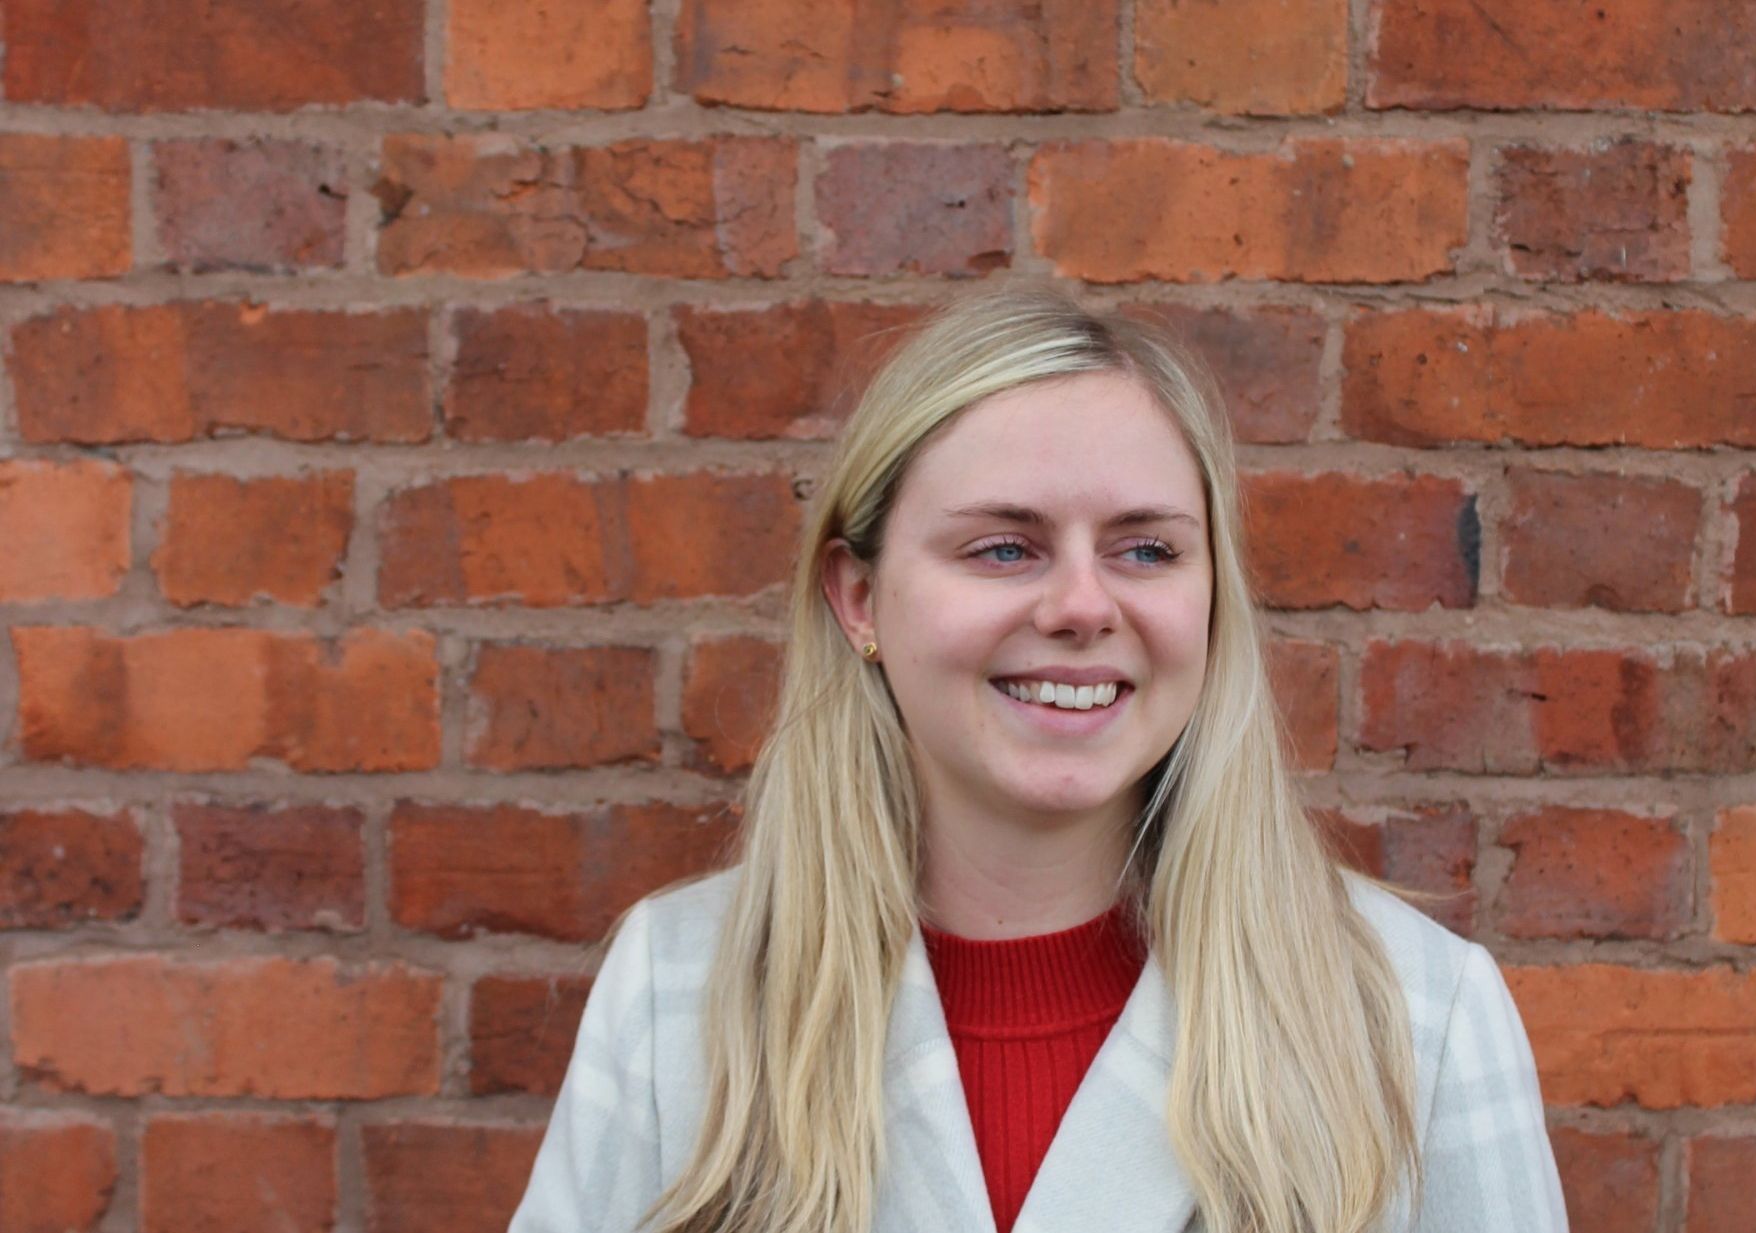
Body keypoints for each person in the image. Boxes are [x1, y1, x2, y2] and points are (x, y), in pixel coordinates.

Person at [508, 286, 1567, 1233]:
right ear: (861, 597)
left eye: (1145, 548)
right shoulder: (679, 994)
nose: (1079, 607)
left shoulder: (1414, 1020)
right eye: (1003, 547)